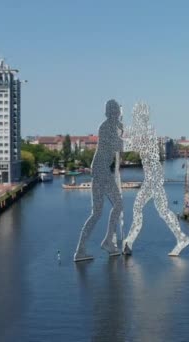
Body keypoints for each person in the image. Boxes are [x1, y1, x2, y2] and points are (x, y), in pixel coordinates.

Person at [122, 103, 189, 256]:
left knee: (141, 208)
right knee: (161, 211)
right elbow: (127, 133)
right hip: (153, 176)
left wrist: (118, 140)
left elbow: (129, 143)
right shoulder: (141, 130)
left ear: (142, 117)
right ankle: (181, 238)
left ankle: (129, 242)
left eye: (135, 116)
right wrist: (119, 128)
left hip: (153, 176)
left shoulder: (147, 131)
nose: (133, 119)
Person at [73, 99, 124, 262]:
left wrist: (120, 132)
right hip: (102, 171)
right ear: (113, 113)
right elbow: (118, 146)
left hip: (100, 171)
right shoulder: (107, 127)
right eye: (116, 111)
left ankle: (82, 249)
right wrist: (121, 134)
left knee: (97, 212)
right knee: (117, 204)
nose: (118, 114)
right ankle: (108, 241)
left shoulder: (108, 126)